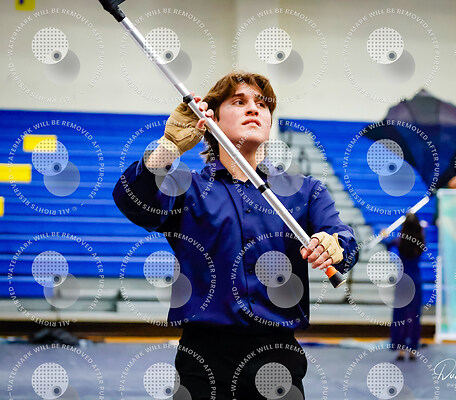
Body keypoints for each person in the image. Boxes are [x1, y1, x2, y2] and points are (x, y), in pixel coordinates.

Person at [113, 71, 358, 399]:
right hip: (203, 360)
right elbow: (132, 201)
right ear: (212, 120)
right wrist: (168, 147)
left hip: (278, 358)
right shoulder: (186, 188)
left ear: (269, 122)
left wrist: (334, 245)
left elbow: (342, 238)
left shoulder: (305, 191)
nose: (254, 108)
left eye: (262, 104)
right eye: (239, 102)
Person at [382, 213, 424, 361]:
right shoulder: (420, 240)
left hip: (403, 281)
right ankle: (412, 349)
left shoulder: (400, 241)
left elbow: (388, 245)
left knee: (400, 316)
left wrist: (384, 235)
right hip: (416, 280)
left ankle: (400, 349)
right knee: (414, 316)